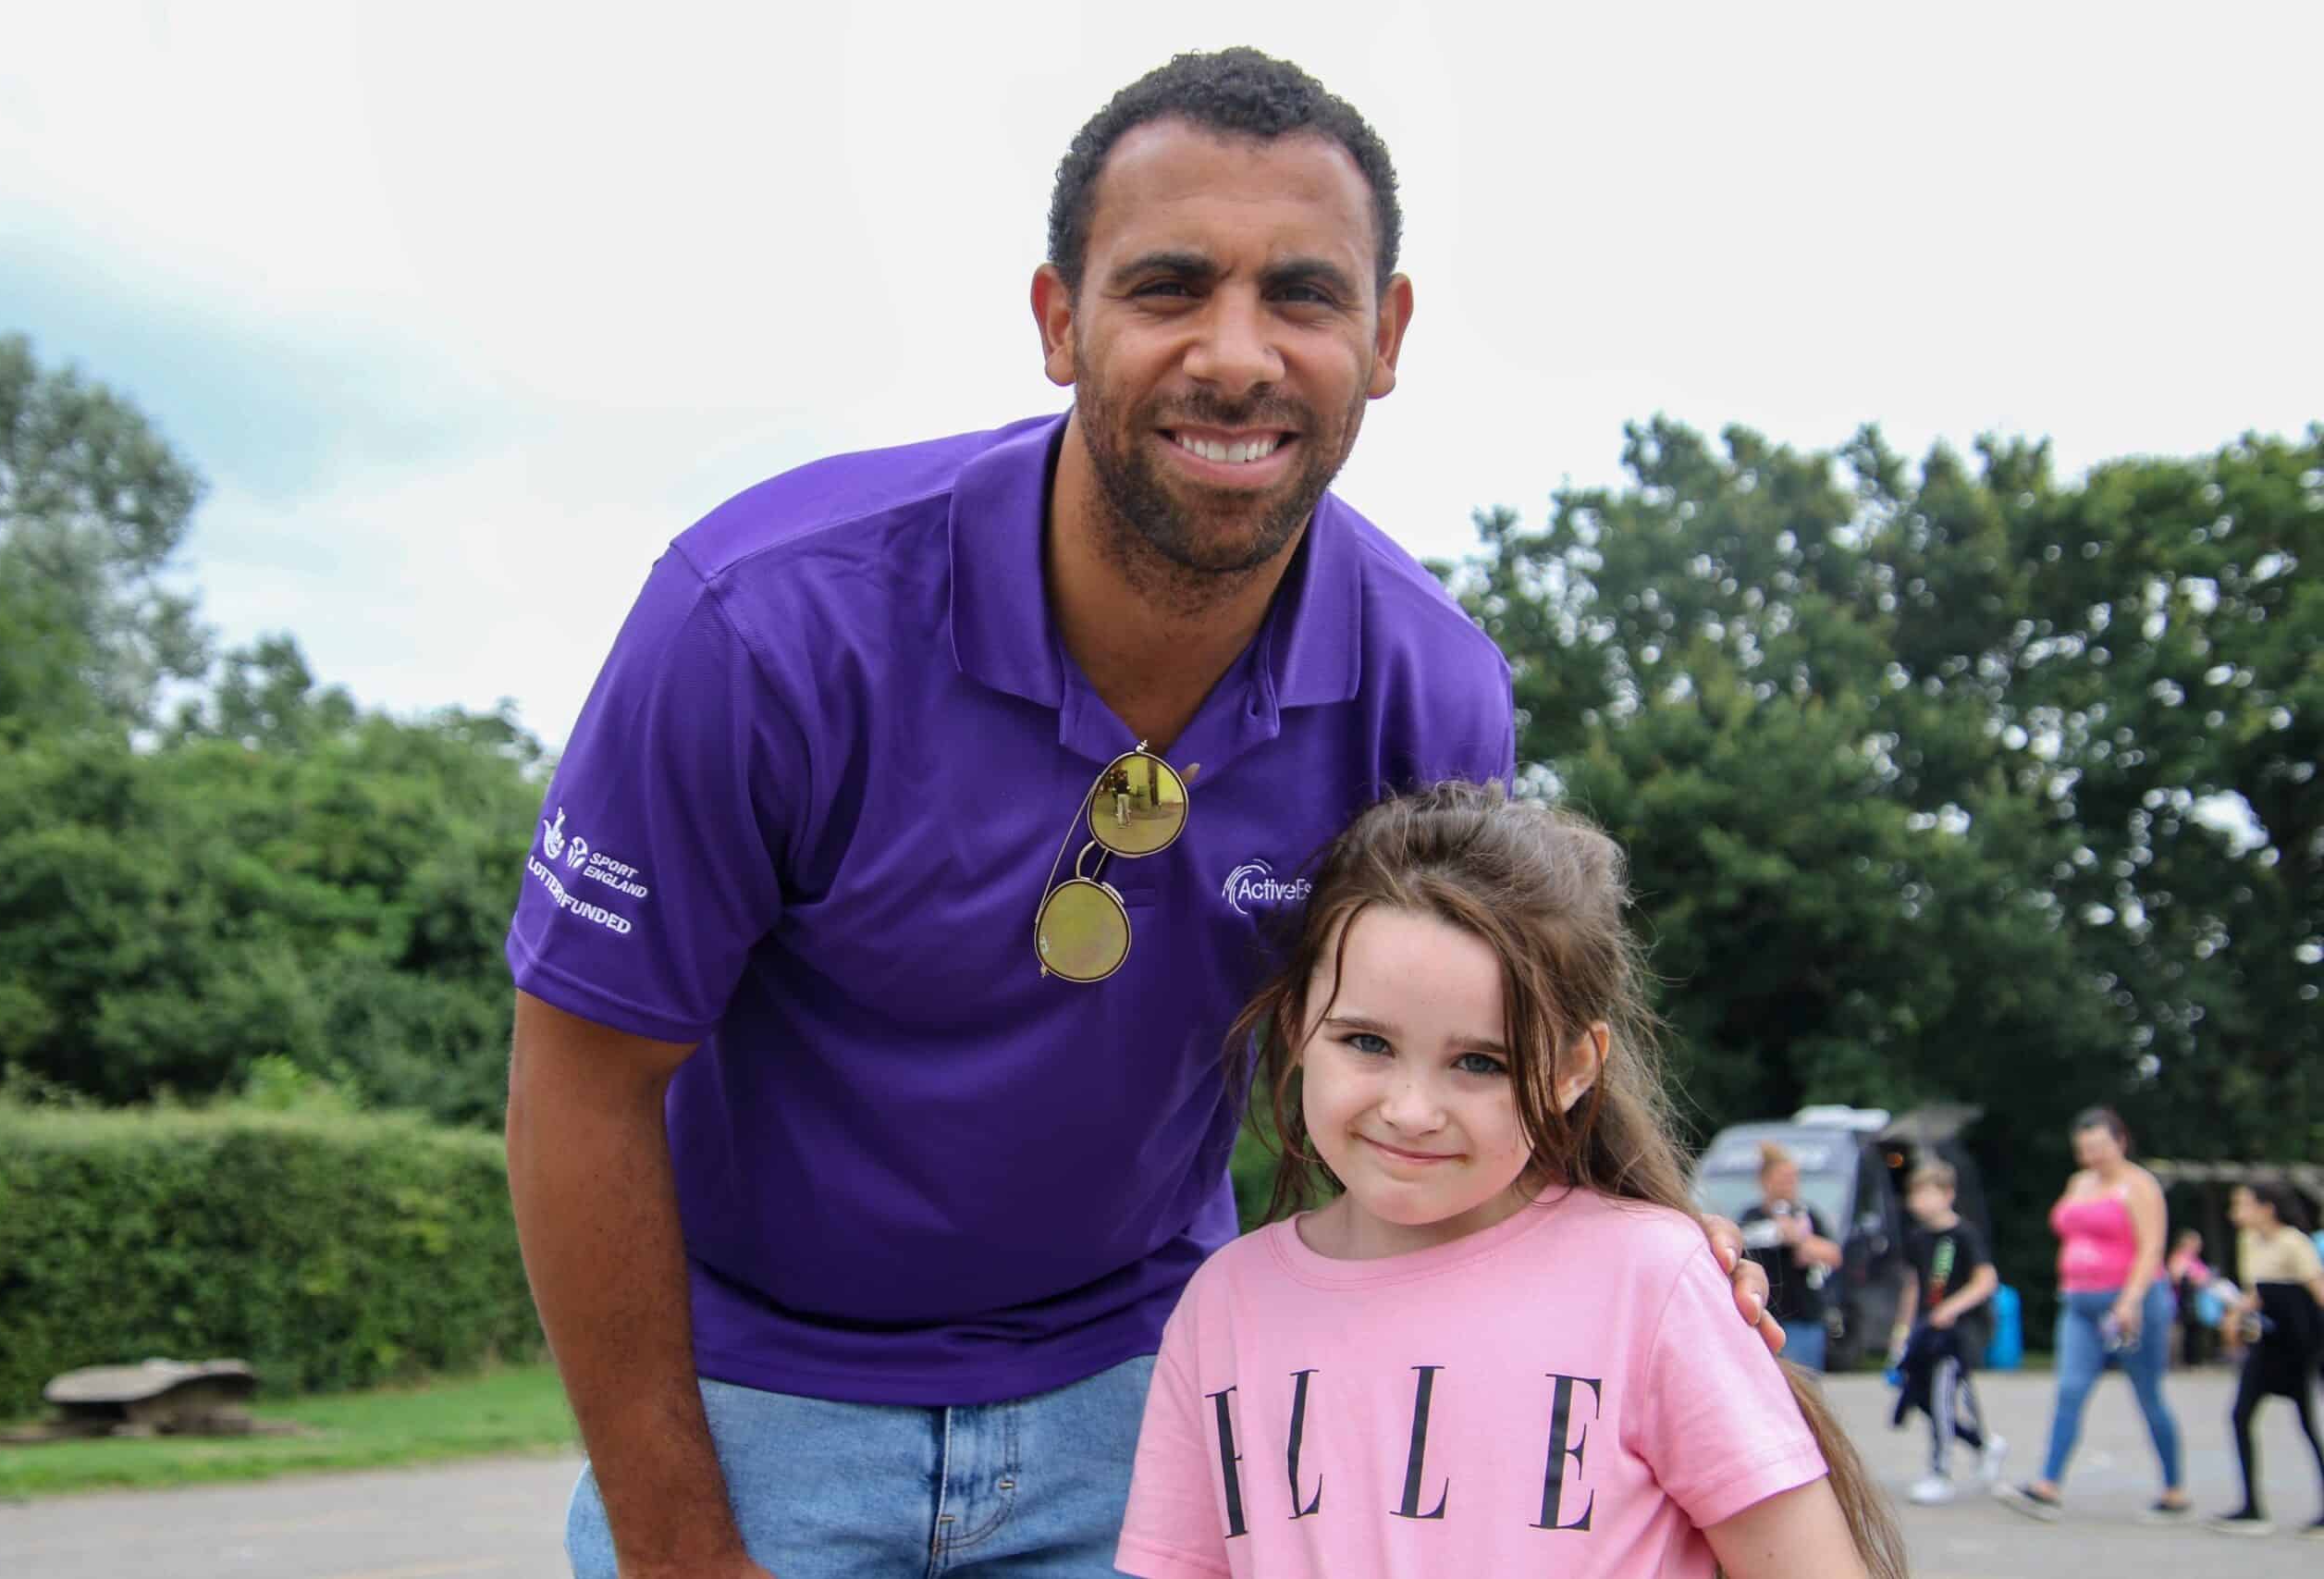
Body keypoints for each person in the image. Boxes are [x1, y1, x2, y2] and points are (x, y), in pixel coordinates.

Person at [501, 48, 1780, 1579]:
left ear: (1385, 337)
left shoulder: (1431, 693)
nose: (1236, 357)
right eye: (1170, 286)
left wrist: (1638, 1236)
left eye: (1302, 295)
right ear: (1060, 320)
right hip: (760, 1399)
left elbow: (1465, 1065)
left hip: (1153, 1388)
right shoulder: (762, 622)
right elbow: (581, 1082)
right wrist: (677, 1549)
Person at [1114, 783, 1906, 1578]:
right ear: (1296, 1025)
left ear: (1571, 1070)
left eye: (1479, 1062)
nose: (1412, 1110)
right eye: (1367, 1042)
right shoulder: (1223, 1306)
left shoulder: (1651, 1280)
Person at [1996, 1106, 2192, 1523]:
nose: (2092, 1156)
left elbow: (2151, 1248)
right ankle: (2048, 1483)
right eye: (2084, 1148)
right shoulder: (2080, 1182)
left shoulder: (2139, 1186)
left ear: (2120, 1142)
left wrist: (2130, 1300)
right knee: (2070, 1389)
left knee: (2148, 1394)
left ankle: (2174, 1488)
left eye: (2100, 1146)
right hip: (2080, 1303)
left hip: (2130, 1303)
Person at [2206, 1181, 2324, 1539]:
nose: (2235, 1212)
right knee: (2240, 1415)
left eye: (2242, 1204)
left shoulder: (2293, 1243)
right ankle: (2251, 1507)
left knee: (2307, 1424)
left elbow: (2318, 1291)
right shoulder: (2248, 1241)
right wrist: (2236, 1314)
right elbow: (2258, 1292)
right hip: (2267, 1342)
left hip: (2297, 1345)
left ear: (2266, 1208)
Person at [1887, 1158, 2006, 1505]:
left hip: (1961, 1332)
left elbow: (1986, 1281)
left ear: (1948, 1194)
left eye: (1928, 1193)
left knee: (1943, 1391)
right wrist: (1902, 1329)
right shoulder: (1917, 1238)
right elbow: (1913, 1286)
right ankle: (1983, 1445)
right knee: (1924, 1395)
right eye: (1916, 1194)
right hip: (1928, 1331)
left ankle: (1939, 1472)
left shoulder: (1964, 1235)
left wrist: (1952, 1308)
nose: (1919, 1202)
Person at [1740, 1141, 1843, 1371]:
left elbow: (1833, 1254)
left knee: (1804, 1382)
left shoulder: (1807, 1215)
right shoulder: (1752, 1217)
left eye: (1793, 1178)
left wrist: (1801, 1240)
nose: (1790, 1185)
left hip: (1804, 1317)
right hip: (1765, 1315)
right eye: (1783, 1179)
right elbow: (1745, 1241)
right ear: (1766, 1181)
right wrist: (1779, 1232)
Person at [2168, 1227, 2215, 1368]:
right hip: (2181, 1301)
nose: (2199, 1245)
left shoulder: (2195, 1260)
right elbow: (2175, 1277)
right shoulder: (2179, 1258)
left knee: (2194, 1330)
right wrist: (2195, 1279)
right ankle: (2179, 1360)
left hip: (2195, 1301)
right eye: (2196, 1242)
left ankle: (2194, 1359)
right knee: (2181, 1330)